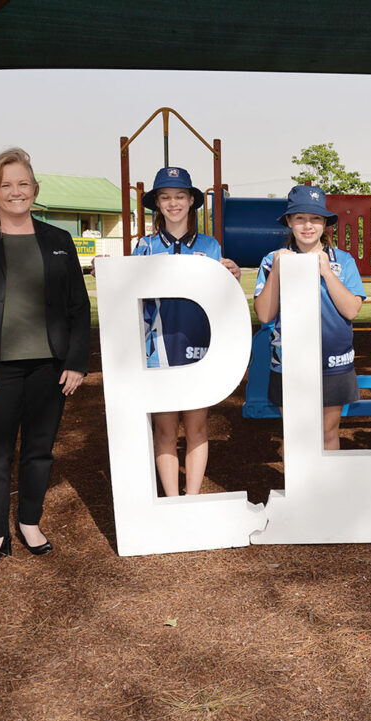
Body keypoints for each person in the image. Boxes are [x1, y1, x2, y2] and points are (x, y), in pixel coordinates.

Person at [0, 148, 90, 571]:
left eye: (23, 183)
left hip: (50, 366)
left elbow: (78, 308)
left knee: (40, 451)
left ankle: (29, 523)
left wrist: (77, 361)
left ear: (35, 189)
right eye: (5, 185)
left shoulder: (58, 240)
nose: (15, 192)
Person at [131, 166, 241, 496]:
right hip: (160, 350)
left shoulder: (210, 246)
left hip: (200, 349)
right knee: (164, 430)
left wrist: (231, 274)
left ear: (192, 201)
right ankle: (173, 500)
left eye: (180, 196)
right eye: (166, 197)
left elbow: (222, 299)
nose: (173, 203)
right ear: (157, 204)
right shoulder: (145, 247)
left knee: (196, 427)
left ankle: (192, 499)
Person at [253, 185, 365, 449]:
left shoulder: (342, 260)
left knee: (327, 433)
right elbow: (264, 314)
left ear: (325, 223)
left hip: (333, 361)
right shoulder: (272, 260)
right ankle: (300, 491)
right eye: (300, 218)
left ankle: (328, 491)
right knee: (296, 435)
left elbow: (352, 310)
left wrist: (327, 271)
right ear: (289, 221)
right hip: (288, 362)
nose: (308, 225)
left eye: (315, 218)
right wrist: (279, 272)